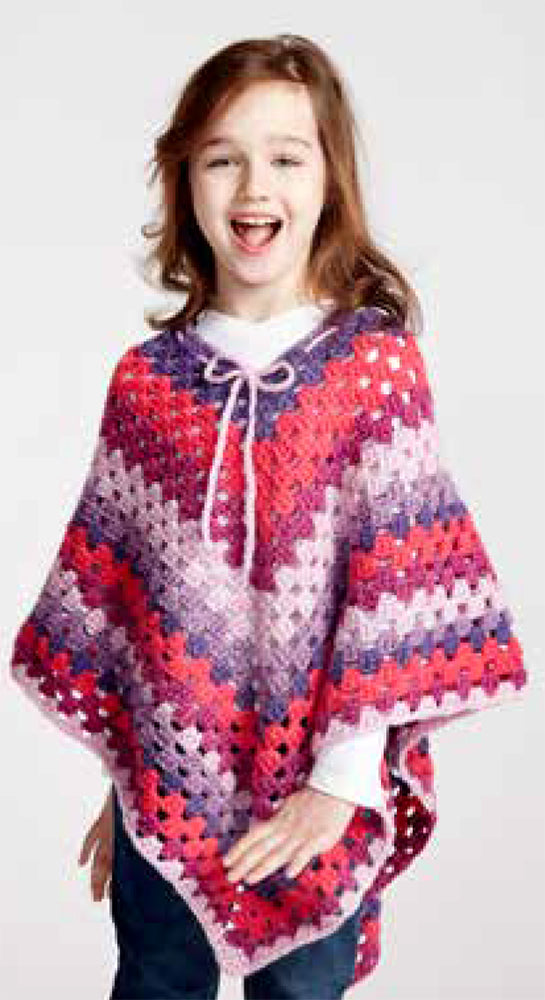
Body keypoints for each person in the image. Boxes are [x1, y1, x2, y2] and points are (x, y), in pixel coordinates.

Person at [10, 33, 527, 1000]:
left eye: (286, 157)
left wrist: (340, 785)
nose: (254, 186)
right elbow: (130, 623)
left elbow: (393, 605)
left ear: (328, 181)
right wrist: (133, 778)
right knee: (155, 980)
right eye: (222, 159)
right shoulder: (149, 386)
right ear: (184, 182)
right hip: (164, 796)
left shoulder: (372, 372)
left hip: (318, 799)